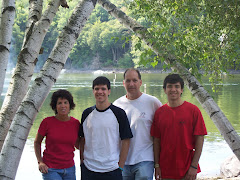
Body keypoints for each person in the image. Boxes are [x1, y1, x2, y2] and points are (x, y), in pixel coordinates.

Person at [151, 74, 207, 180]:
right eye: (170, 86)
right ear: (164, 89)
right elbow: (156, 141)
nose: (173, 90)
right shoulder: (159, 113)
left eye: (177, 86)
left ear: (181, 90)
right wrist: (157, 165)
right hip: (165, 169)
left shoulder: (193, 111)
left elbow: (200, 139)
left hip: (187, 169)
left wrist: (194, 166)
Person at [79, 76, 133, 180]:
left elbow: (126, 140)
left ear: (109, 91)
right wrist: (82, 161)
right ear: (93, 91)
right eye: (96, 89)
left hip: (112, 169)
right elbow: (82, 139)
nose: (100, 92)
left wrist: (121, 166)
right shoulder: (86, 113)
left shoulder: (119, 113)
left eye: (103, 89)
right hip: (89, 169)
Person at [114, 68, 162, 180]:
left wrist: (158, 163)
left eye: (135, 80)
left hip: (145, 159)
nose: (131, 84)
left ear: (140, 82)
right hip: (123, 161)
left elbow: (162, 131)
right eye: (128, 81)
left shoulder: (152, 102)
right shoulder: (117, 105)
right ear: (123, 83)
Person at [34, 89, 80, 180]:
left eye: (65, 102)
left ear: (70, 105)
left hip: (70, 168)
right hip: (50, 169)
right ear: (55, 106)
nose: (63, 105)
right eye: (59, 103)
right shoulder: (47, 122)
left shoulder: (76, 123)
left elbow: (78, 145)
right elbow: (36, 142)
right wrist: (40, 162)